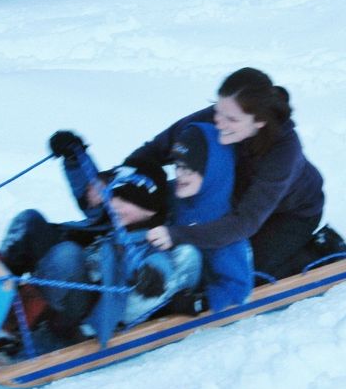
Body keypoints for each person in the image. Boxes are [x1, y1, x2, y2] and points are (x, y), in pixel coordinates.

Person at [0, 132, 201, 351]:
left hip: (86, 308)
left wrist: (152, 276)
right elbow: (90, 184)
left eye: (128, 201)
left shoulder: (150, 239)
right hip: (66, 280)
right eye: (115, 196)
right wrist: (74, 157)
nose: (116, 205)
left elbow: (160, 262)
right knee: (30, 221)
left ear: (151, 211)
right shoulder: (111, 215)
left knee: (66, 254)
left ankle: (20, 327)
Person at [123, 67, 328, 280]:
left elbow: (244, 221)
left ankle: (320, 250)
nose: (219, 122)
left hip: (291, 213)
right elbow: (158, 148)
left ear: (259, 121)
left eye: (231, 119)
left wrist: (179, 235)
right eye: (218, 110)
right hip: (234, 195)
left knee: (244, 270)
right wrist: (122, 176)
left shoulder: (284, 151)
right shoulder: (222, 116)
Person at [164, 122, 253, 314]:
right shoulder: (177, 196)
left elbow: (238, 287)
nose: (179, 174)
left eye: (188, 169)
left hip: (191, 288)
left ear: (213, 172)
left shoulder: (224, 229)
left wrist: (200, 302)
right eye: (178, 166)